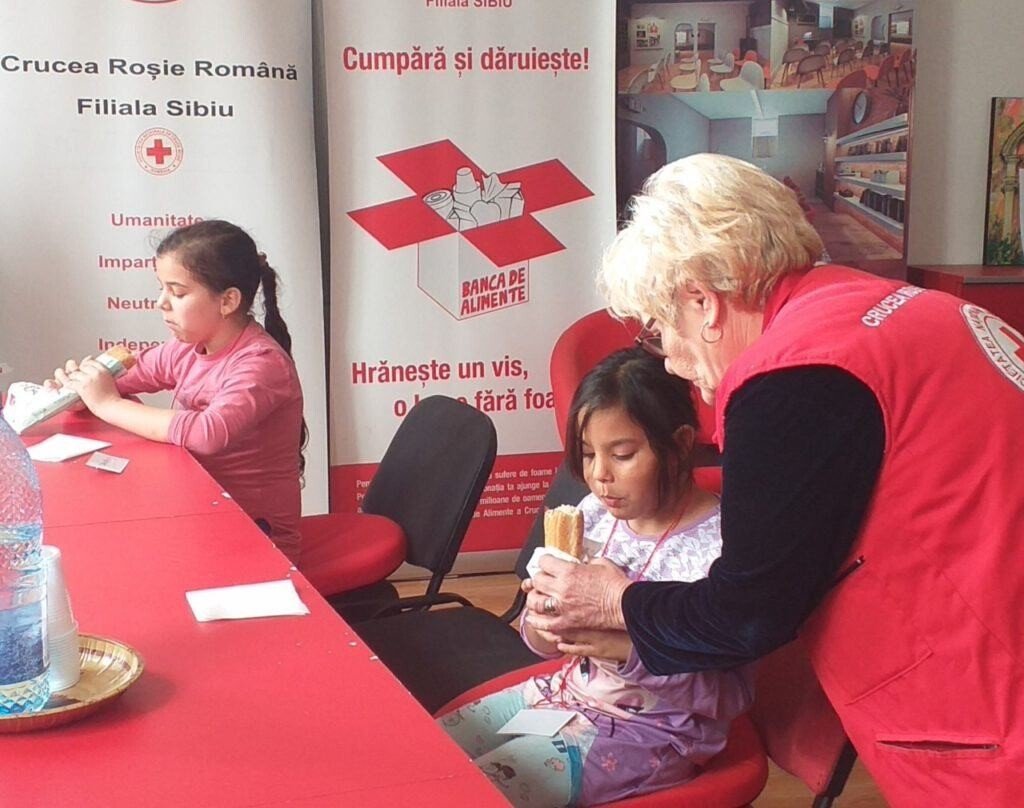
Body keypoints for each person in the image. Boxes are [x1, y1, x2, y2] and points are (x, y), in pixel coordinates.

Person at [524, 153, 1024, 806]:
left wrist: (617, 601)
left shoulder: (791, 378)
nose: (668, 359)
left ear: (702, 302)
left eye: (660, 327)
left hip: (990, 703)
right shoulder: (885, 305)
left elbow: (748, 614)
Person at [438, 348, 753, 807]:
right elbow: (542, 641)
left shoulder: (720, 553)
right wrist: (543, 621)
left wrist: (624, 650)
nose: (600, 476)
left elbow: (730, 696)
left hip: (647, 732)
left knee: (469, 793)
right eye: (588, 454)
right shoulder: (594, 514)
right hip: (561, 694)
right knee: (428, 754)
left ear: (681, 444)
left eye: (622, 455)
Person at [51, 220, 306, 561]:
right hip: (198, 508)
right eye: (161, 289)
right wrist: (79, 389)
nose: (162, 303)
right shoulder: (187, 347)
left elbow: (207, 433)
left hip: (255, 536)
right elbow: (123, 377)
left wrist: (106, 403)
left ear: (228, 301)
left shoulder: (262, 363)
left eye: (178, 292)